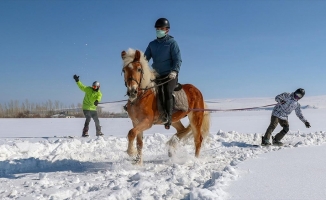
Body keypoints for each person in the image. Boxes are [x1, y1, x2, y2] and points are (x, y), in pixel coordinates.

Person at [144, 18, 182, 129]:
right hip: (156, 74)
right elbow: (145, 58)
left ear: (167, 30)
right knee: (146, 90)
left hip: (169, 75)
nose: (159, 30)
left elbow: (177, 59)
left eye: (161, 28)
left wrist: (175, 71)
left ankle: (168, 117)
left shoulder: (172, 43)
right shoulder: (152, 44)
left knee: (166, 91)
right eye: (157, 28)